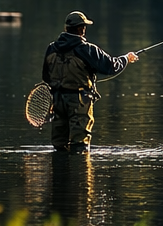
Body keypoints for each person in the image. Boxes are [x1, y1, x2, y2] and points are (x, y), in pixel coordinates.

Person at [42, 10, 138, 153]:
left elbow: (46, 77)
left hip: (57, 102)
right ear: (81, 29)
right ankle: (80, 173)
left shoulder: (51, 48)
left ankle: (60, 174)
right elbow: (111, 66)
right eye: (84, 26)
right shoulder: (86, 49)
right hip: (80, 103)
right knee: (79, 146)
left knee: (59, 145)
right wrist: (126, 58)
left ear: (66, 28)